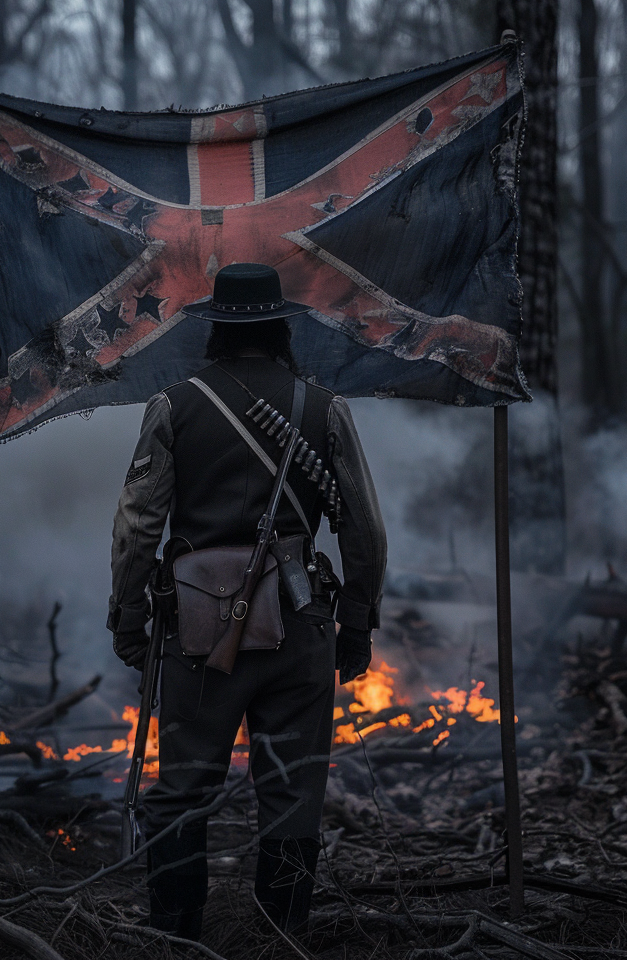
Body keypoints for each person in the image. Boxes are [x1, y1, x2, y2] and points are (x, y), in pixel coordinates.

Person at [108, 262, 387, 938]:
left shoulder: (173, 406)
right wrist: (354, 628)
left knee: (180, 797)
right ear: (278, 330)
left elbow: (138, 528)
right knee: (292, 798)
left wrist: (130, 619)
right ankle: (280, 946)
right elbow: (364, 533)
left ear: (219, 333)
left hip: (199, 638)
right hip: (299, 631)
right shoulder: (324, 409)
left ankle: (178, 943)